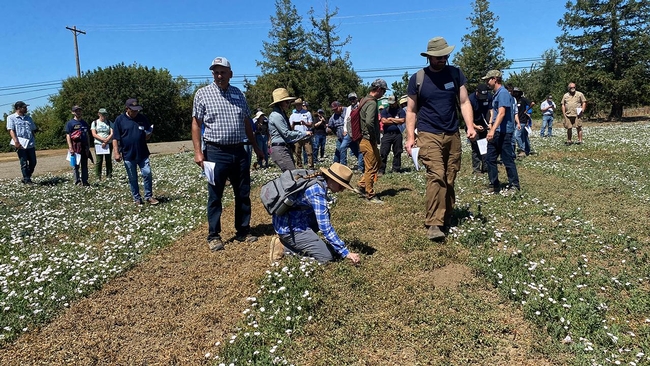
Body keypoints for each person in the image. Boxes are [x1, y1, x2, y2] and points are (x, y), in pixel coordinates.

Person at [405, 37, 477, 241]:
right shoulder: (418, 78)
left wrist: (470, 126)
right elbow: (411, 111)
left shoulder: (456, 74)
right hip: (428, 133)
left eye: (445, 55)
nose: (442, 59)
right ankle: (434, 224)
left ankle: (446, 216)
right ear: (429, 57)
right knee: (436, 175)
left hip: (452, 133)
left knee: (450, 176)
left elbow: (463, 102)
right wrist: (410, 137)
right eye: (438, 57)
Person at [192, 56, 264, 251]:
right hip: (215, 152)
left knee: (243, 193)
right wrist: (198, 152)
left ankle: (243, 230)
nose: (219, 75)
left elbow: (247, 123)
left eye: (223, 72)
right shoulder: (202, 94)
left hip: (240, 151)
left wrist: (256, 147)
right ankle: (214, 235)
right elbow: (196, 124)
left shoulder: (239, 94)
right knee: (215, 195)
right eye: (215, 71)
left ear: (230, 74)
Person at [269, 163, 361, 264]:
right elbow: (325, 226)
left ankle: (302, 241)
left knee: (326, 214)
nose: (342, 190)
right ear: (332, 180)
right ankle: (283, 247)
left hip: (288, 220)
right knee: (326, 257)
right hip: (288, 228)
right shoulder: (317, 191)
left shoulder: (317, 179)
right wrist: (345, 252)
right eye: (341, 186)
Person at [113, 98, 159, 205]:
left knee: (147, 173)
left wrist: (148, 134)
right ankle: (137, 198)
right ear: (127, 109)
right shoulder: (119, 120)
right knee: (133, 177)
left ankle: (149, 196)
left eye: (137, 110)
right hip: (128, 154)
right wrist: (116, 153)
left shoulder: (142, 118)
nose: (135, 112)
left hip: (142, 153)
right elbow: (115, 138)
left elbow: (147, 135)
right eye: (133, 110)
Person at [482, 70, 521, 194]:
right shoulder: (496, 94)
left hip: (503, 133)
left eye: (488, 79)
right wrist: (491, 125)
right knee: (490, 159)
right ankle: (494, 184)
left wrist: (492, 130)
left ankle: (514, 185)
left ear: (495, 79)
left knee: (507, 160)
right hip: (496, 131)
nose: (486, 82)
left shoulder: (503, 93)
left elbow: (502, 113)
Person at [358, 78, 388, 204]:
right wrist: (374, 136)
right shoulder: (371, 103)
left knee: (377, 162)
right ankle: (370, 194)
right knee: (370, 167)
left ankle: (361, 185)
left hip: (366, 139)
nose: (384, 94)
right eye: (384, 91)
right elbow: (370, 122)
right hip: (368, 139)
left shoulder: (363, 100)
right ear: (379, 89)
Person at [268, 89, 312, 171]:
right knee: (292, 175)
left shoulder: (281, 114)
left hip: (284, 148)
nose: (289, 104)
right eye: (287, 102)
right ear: (280, 103)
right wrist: (305, 133)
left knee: (290, 176)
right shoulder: (276, 116)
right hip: (280, 149)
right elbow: (286, 134)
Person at [6, 101, 38, 184]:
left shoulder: (28, 118)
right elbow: (11, 130)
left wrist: (34, 139)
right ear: (18, 108)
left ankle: (27, 176)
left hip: (30, 143)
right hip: (20, 144)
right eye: (24, 107)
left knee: (33, 162)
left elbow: (32, 130)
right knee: (24, 162)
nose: (26, 109)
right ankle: (27, 179)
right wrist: (16, 141)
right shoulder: (11, 117)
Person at [378, 95, 405, 175]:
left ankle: (396, 169)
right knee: (383, 152)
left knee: (397, 152)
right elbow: (384, 121)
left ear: (396, 102)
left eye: (393, 103)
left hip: (397, 134)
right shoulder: (385, 110)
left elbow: (402, 120)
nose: (391, 105)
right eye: (390, 103)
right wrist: (396, 121)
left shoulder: (400, 111)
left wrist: (391, 119)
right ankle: (381, 170)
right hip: (387, 134)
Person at [468, 84, 491, 174]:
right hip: (473, 124)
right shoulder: (470, 99)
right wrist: (475, 126)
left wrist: (489, 123)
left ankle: (485, 167)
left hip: (484, 123)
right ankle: (476, 170)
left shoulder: (489, 96)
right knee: (475, 147)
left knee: (484, 146)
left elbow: (490, 110)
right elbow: (467, 116)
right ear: (477, 92)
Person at [66, 105, 91, 186]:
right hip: (75, 146)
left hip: (84, 146)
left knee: (84, 165)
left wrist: (88, 146)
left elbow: (87, 134)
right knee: (76, 165)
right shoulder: (70, 123)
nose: (78, 112)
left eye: (80, 110)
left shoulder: (84, 123)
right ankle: (77, 181)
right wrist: (70, 147)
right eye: (76, 111)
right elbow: (68, 135)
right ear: (73, 112)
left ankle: (85, 181)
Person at [339, 92, 364, 172]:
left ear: (356, 98)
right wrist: (345, 130)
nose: (352, 100)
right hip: (349, 132)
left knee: (360, 150)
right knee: (342, 147)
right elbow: (346, 120)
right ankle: (343, 166)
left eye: (353, 98)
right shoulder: (348, 108)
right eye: (350, 99)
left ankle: (361, 167)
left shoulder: (361, 106)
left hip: (359, 131)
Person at [289, 99, 314, 169]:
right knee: (297, 153)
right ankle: (299, 166)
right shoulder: (292, 115)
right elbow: (290, 128)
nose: (298, 106)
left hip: (306, 135)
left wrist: (305, 123)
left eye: (299, 104)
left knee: (309, 152)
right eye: (297, 104)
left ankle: (310, 166)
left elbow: (311, 124)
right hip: (297, 136)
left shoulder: (307, 113)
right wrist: (293, 124)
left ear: (302, 105)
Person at [91, 108, 114, 179]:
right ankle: (98, 176)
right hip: (98, 144)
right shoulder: (94, 122)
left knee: (108, 160)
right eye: (102, 114)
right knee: (99, 161)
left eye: (105, 114)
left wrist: (107, 140)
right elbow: (94, 134)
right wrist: (102, 140)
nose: (104, 116)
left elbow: (112, 133)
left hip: (108, 143)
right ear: (99, 114)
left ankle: (109, 175)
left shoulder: (109, 122)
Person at [512, 87, 534, 157]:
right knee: (523, 136)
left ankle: (522, 150)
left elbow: (532, 103)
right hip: (515, 120)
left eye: (516, 92)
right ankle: (527, 150)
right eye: (514, 92)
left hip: (522, 120)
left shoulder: (523, 100)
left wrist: (527, 110)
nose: (515, 93)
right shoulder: (513, 100)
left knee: (517, 135)